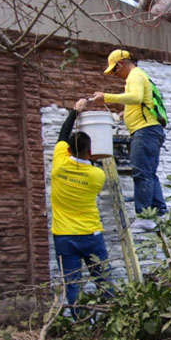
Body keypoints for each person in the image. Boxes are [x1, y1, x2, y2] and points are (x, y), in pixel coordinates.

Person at [51, 99, 114, 316]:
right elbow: (89, 163)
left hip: (64, 236)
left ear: (68, 150)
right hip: (90, 234)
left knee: (72, 284)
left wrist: (75, 112)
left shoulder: (59, 163)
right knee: (103, 280)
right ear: (90, 151)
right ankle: (114, 316)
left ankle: (80, 323)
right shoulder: (97, 175)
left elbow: (62, 134)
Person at [90, 49, 167, 226]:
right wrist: (127, 114)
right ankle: (159, 212)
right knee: (149, 173)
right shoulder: (139, 76)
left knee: (141, 173)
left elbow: (136, 97)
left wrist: (106, 97)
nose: (115, 75)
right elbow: (141, 101)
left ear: (121, 63)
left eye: (114, 70)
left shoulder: (135, 76)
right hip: (149, 131)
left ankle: (145, 217)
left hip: (145, 131)